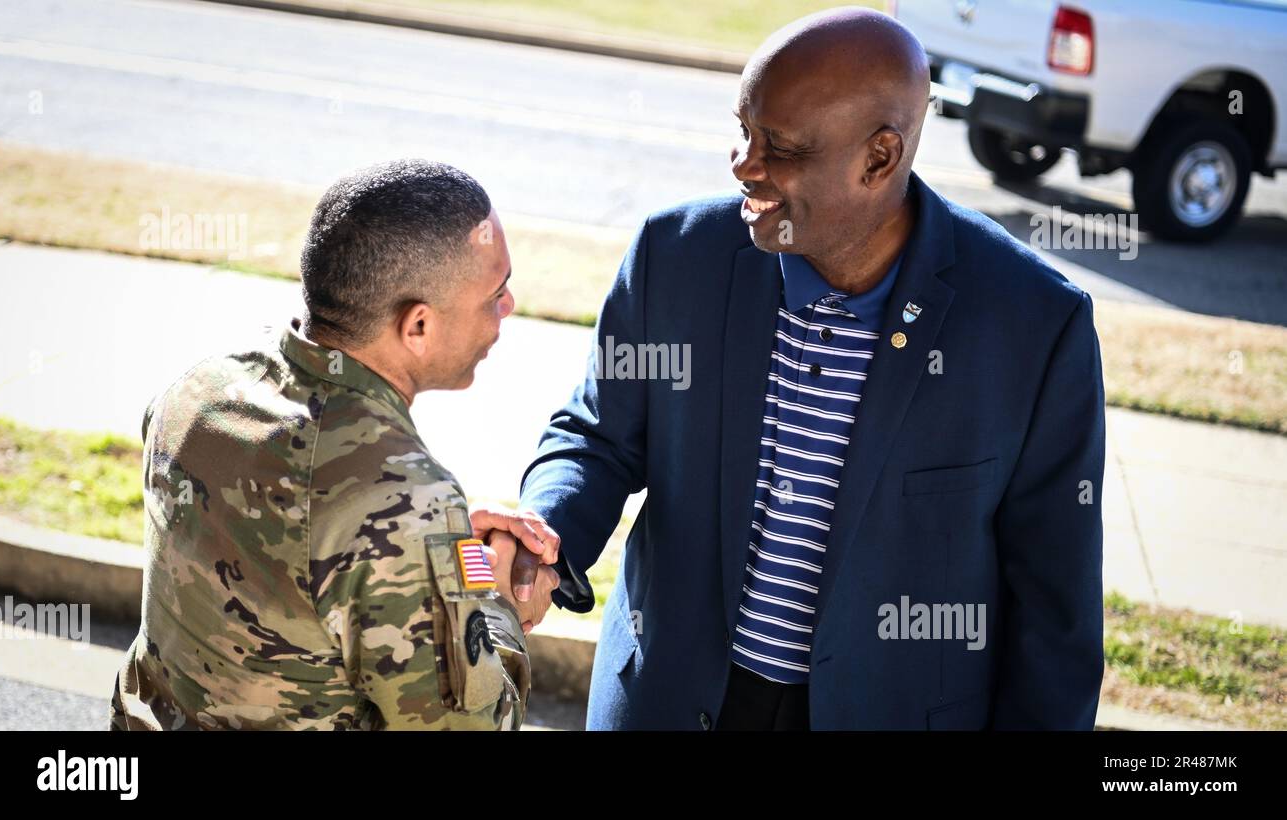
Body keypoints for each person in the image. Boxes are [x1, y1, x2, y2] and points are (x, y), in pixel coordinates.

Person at [517, 8, 1106, 730]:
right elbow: (597, 437)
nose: (743, 162)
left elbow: (1055, 610)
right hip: (669, 703)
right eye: (743, 128)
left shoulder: (1034, 325)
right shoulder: (677, 257)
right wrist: (542, 537)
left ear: (879, 158)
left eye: (782, 148)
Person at [110, 159, 560, 731]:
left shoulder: (199, 391)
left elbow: (293, 550)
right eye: (494, 294)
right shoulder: (406, 502)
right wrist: (493, 604)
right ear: (417, 327)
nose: (509, 307)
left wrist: (449, 555)